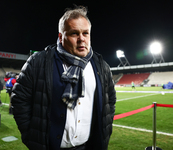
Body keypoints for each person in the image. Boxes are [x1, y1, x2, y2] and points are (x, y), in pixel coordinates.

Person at [11, 6, 116, 150]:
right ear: (61, 37)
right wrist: (32, 136)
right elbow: (19, 100)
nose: (81, 39)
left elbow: (110, 100)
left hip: (88, 146)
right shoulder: (38, 62)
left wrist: (105, 129)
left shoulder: (102, 66)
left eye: (86, 33)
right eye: (74, 34)